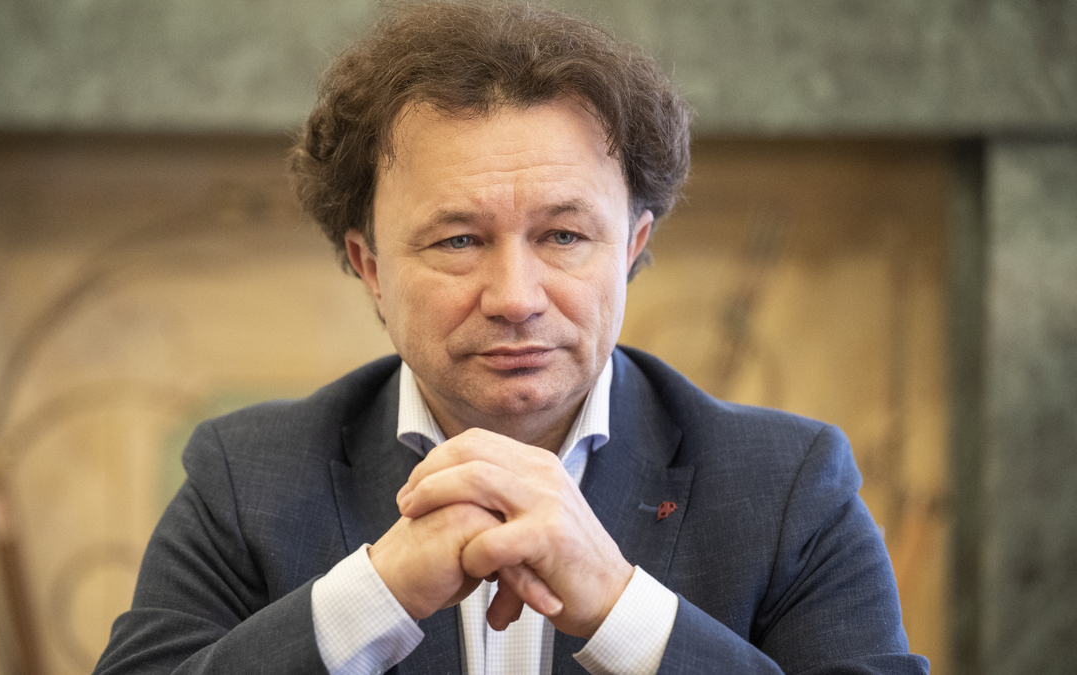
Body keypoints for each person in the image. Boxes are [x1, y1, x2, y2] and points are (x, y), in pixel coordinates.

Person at [95, 2, 929, 674]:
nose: (516, 298)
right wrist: (374, 596)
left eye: (564, 236)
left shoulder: (791, 488)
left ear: (631, 247)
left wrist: (621, 608)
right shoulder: (244, 479)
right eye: (458, 240)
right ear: (371, 265)